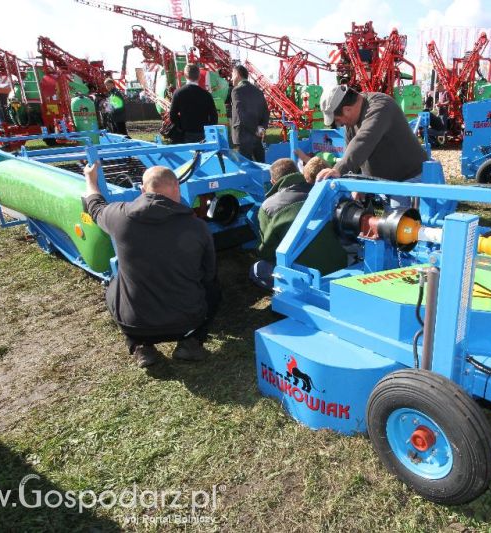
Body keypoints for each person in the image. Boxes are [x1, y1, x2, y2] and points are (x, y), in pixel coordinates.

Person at [83, 162, 221, 368]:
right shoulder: (197, 227)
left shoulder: (119, 217)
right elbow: (208, 273)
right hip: (187, 322)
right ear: (177, 187)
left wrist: (90, 179)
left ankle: (141, 346)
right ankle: (191, 343)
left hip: (135, 324)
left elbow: (94, 206)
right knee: (213, 287)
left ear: (142, 190)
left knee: (114, 284)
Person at [316, 85, 428, 208]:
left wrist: (338, 169)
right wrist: (356, 183)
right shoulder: (351, 121)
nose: (339, 124)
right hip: (385, 183)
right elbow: (351, 151)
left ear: (347, 109)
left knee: (398, 218)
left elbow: (363, 140)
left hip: (408, 180)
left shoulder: (381, 106)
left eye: (338, 120)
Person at [249, 158, 347, 290]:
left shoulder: (268, 206)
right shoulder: (325, 193)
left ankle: (289, 289)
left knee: (257, 269)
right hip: (339, 265)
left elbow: (267, 251)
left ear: (273, 182)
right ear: (298, 172)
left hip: (306, 277)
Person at [168, 64, 218, 144]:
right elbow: (214, 116)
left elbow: (172, 115)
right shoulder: (206, 95)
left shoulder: (178, 93)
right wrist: (207, 130)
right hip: (202, 134)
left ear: (185, 76)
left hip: (185, 133)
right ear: (199, 76)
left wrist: (181, 126)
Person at [230, 65, 270, 163]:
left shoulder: (236, 90)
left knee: (245, 167)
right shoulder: (258, 91)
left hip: (243, 136)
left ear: (237, 74)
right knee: (261, 165)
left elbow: (240, 113)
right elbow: (265, 112)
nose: (231, 79)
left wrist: (254, 129)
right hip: (257, 136)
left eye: (232, 75)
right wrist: (261, 128)